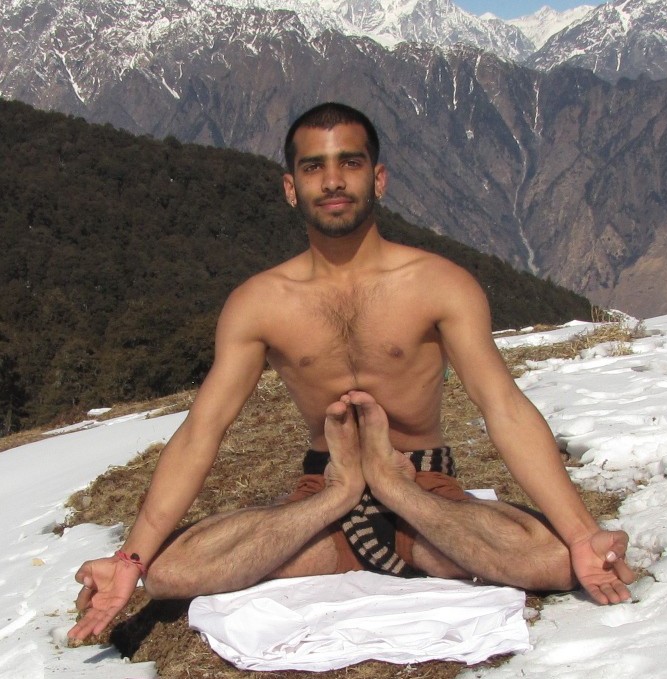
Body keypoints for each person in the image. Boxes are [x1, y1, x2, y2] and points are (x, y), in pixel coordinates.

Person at [68, 102, 634, 642]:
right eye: (314, 167)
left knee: (557, 561)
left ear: (378, 179)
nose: (333, 180)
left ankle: (388, 487)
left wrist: (582, 534)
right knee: (168, 573)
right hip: (323, 489)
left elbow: (502, 407)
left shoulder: (439, 284)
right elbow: (202, 431)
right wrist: (130, 559)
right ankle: (345, 494)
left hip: (421, 485)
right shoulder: (260, 302)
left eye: (351, 163)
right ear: (291, 187)